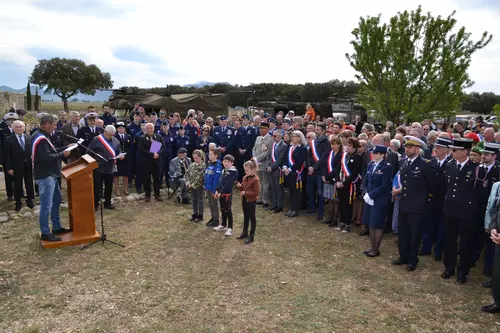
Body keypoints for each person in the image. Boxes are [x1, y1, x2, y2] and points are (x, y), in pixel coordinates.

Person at [392, 136, 436, 272]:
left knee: (415, 234)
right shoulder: (403, 163)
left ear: (417, 149)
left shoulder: (425, 164)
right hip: (404, 202)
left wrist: (424, 199)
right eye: (406, 147)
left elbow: (432, 186)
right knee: (403, 233)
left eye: (410, 147)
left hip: (417, 205)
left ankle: (412, 260)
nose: (407, 149)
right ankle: (403, 256)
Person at [441, 138, 477, 283]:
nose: (452, 152)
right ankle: (449, 267)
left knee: (465, 242)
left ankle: (463, 271)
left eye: (455, 150)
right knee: (449, 240)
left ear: (465, 152)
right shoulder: (450, 165)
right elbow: (447, 186)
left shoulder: (474, 168)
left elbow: (477, 192)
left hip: (466, 210)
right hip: (450, 208)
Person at [32, 115, 72, 242]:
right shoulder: (40, 138)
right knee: (46, 206)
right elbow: (47, 157)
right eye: (54, 124)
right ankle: (45, 232)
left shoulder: (43, 135)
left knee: (56, 200)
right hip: (46, 175)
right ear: (47, 124)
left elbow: (52, 151)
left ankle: (56, 227)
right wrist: (62, 154)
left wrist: (66, 147)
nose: (55, 127)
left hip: (52, 174)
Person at [419, 137, 452, 261]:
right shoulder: (431, 162)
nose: (435, 149)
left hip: (443, 201)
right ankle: (426, 247)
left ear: (446, 150)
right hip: (431, 200)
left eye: (439, 147)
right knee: (428, 224)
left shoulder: (450, 164)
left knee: (441, 227)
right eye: (435, 147)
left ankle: (439, 250)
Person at [473, 142, 500, 276]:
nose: (483, 156)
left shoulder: (498, 170)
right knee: (475, 233)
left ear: (494, 156)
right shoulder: (479, 168)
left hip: (492, 210)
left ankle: (489, 267)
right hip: (478, 207)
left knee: (489, 239)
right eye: (483, 153)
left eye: (487, 154)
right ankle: (474, 257)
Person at [361, 145, 393, 257]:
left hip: (380, 199)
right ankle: (372, 246)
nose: (373, 155)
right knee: (370, 222)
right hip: (369, 198)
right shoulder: (371, 164)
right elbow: (366, 180)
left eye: (376, 153)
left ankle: (376, 248)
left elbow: (384, 186)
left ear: (382, 155)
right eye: (373, 153)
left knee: (377, 223)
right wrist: (366, 193)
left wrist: (371, 195)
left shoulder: (386, 167)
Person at [87, 125, 123, 210]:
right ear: (105, 132)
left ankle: (107, 202)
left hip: (110, 167)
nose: (111, 137)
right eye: (110, 135)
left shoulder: (115, 140)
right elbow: (88, 152)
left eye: (113, 135)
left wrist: (120, 155)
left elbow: (119, 151)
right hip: (98, 167)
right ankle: (95, 203)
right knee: (97, 187)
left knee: (109, 186)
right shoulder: (97, 140)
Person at [3, 120, 34, 211]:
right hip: (15, 166)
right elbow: (6, 155)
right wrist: (8, 168)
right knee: (17, 185)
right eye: (17, 127)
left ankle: (30, 201)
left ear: (24, 128)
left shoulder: (29, 137)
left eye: (21, 127)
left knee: (29, 183)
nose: (19, 128)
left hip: (28, 165)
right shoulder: (8, 139)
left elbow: (32, 152)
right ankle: (18, 203)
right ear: (13, 128)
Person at [335, 137, 363, 233]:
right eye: (347, 145)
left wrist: (344, 183)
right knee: (341, 203)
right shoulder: (344, 156)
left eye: (350, 145)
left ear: (355, 147)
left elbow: (354, 173)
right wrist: (338, 181)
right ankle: (342, 222)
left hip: (349, 184)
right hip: (340, 182)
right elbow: (338, 169)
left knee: (348, 204)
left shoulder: (358, 157)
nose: (348, 147)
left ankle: (347, 224)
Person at [306, 123, 331, 221]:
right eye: (315, 129)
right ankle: (312, 208)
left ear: (323, 130)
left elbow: (324, 158)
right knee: (310, 190)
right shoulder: (314, 141)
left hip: (320, 171)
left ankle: (320, 213)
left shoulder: (326, 142)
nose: (316, 131)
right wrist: (309, 166)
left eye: (318, 129)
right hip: (312, 170)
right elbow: (309, 154)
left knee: (320, 193)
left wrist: (314, 167)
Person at [283, 131, 308, 218]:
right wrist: (285, 167)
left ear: (300, 138)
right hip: (288, 172)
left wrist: (290, 169)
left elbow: (299, 162)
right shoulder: (289, 148)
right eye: (292, 136)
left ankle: (295, 209)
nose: (293, 138)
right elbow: (285, 159)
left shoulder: (303, 149)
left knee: (296, 191)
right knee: (290, 191)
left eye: (295, 136)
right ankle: (291, 207)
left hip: (296, 173)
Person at [138, 123, 164, 202]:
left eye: (151, 128)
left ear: (153, 129)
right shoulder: (142, 138)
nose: (149, 129)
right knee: (147, 179)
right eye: (148, 128)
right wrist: (152, 154)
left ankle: (157, 194)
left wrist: (158, 154)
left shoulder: (158, 137)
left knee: (157, 178)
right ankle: (147, 194)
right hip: (146, 161)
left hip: (156, 161)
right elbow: (141, 149)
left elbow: (163, 146)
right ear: (145, 129)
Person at [482, 199, 500, 313]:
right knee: (498, 273)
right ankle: (498, 303)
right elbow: (496, 209)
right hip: (498, 238)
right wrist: (493, 227)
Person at [213, 154, 238, 236]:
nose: (226, 163)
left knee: (228, 210)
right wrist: (217, 190)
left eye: (228, 162)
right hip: (221, 194)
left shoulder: (232, 173)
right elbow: (220, 182)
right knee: (222, 209)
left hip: (227, 194)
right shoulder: (224, 171)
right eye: (225, 161)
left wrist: (221, 192)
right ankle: (223, 224)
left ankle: (230, 228)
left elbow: (228, 185)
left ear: (232, 163)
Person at [237, 160, 260, 244]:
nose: (245, 172)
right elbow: (243, 187)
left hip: (251, 201)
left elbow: (256, 192)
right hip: (244, 200)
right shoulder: (245, 177)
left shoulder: (255, 179)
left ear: (253, 170)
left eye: (247, 170)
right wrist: (240, 186)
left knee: (252, 218)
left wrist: (246, 193)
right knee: (245, 216)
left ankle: (251, 235)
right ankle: (244, 232)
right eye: (245, 170)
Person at [323, 136, 342, 227]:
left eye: (335, 144)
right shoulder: (330, 153)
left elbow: (337, 169)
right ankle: (330, 217)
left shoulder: (341, 154)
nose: (333, 146)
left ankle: (334, 219)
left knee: (335, 200)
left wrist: (327, 177)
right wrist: (325, 177)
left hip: (335, 178)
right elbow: (326, 165)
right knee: (330, 199)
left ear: (339, 145)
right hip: (328, 179)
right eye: (331, 144)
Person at [252, 122, 273, 207]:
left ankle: (265, 200)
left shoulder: (270, 139)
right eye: (260, 128)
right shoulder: (258, 138)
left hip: (265, 163)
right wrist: (254, 157)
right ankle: (259, 198)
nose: (261, 130)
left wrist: (257, 159)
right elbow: (254, 148)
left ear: (267, 129)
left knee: (265, 183)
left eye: (263, 128)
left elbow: (267, 153)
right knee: (258, 182)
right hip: (257, 163)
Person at [267, 130, 288, 213]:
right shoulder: (272, 144)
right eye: (273, 135)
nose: (273, 137)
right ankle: (274, 203)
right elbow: (269, 156)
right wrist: (268, 166)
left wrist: (272, 167)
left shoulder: (284, 146)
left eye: (275, 136)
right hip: (271, 169)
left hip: (278, 169)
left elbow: (280, 159)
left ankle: (280, 205)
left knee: (279, 188)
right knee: (273, 187)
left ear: (280, 136)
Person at [0, 112, 19, 201]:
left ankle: (19, 192)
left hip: (16, 156)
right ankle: (10, 194)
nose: (11, 122)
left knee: (18, 175)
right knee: (8, 176)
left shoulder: (19, 130)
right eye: (9, 120)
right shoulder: (2, 132)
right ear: (6, 122)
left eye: (13, 120)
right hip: (6, 156)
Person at [185, 150, 206, 222]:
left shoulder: (202, 165)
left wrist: (193, 184)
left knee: (200, 200)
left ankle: (200, 215)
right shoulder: (192, 165)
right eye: (194, 158)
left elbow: (200, 177)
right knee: (194, 200)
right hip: (191, 185)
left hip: (199, 186)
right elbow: (187, 173)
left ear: (201, 157)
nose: (195, 160)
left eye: (197, 158)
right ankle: (195, 213)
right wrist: (188, 182)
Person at [204, 149, 223, 227]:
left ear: (216, 156)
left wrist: (215, 189)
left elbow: (216, 179)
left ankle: (216, 220)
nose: (209, 156)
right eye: (209, 154)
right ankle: (212, 217)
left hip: (213, 188)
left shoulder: (217, 166)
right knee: (210, 203)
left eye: (211, 154)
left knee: (214, 204)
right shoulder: (209, 164)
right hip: (208, 187)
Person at [113, 122, 130, 196]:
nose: (121, 129)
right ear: (117, 129)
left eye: (123, 128)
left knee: (125, 174)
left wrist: (127, 156)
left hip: (126, 158)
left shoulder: (128, 136)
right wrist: (118, 155)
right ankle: (117, 190)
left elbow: (130, 148)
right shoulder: (114, 137)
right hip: (117, 158)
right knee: (116, 175)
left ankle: (125, 189)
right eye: (119, 128)